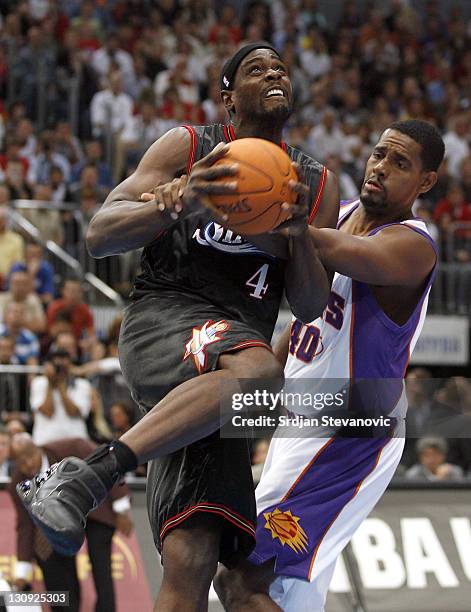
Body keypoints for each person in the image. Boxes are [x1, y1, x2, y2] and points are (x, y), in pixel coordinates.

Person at [17, 42, 339, 610]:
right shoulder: (189, 146)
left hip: (219, 383)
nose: (275, 75)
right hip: (165, 322)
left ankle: (85, 476)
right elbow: (99, 234)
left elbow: (311, 305)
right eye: (257, 69)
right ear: (227, 96)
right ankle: (93, 474)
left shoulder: (314, 183)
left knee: (199, 560)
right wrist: (175, 202)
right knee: (262, 368)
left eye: (281, 68)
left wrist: (296, 240)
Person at [214, 119, 446, 611]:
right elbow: (302, 329)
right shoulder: (335, 215)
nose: (380, 167)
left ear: (426, 182)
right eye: (379, 153)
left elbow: (340, 251)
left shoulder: (413, 246)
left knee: (240, 579)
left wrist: (267, 209)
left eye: (400, 163)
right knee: (288, 594)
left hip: (350, 433)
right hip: (301, 421)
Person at [9, 434, 133, 612]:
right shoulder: (20, 483)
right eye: (21, 462)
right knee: (45, 550)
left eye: (30, 456)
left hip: (95, 510)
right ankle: (67, 608)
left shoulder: (70, 448)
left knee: (101, 566)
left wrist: (121, 506)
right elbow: (25, 525)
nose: (28, 464)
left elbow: (108, 463)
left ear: (38, 448)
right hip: (61, 518)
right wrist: (23, 569)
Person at [30, 349, 92, 446]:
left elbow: (73, 412)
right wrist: (50, 383)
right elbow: (47, 412)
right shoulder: (39, 383)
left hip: (76, 442)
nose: (61, 370)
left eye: (64, 367)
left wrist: (61, 384)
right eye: (57, 367)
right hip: (46, 442)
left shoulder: (82, 384)